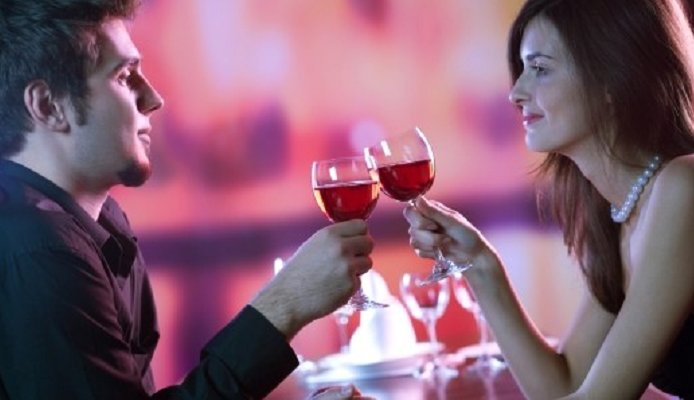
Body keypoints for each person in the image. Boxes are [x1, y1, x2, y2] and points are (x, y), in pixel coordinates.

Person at [0, 1, 374, 399]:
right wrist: (284, 305)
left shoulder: (99, 221)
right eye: (124, 77)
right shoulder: (39, 249)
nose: (153, 98)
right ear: (48, 106)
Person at [404, 0, 694, 398]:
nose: (516, 93)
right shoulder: (617, 215)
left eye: (540, 69)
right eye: (523, 69)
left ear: (613, 79)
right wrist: (479, 265)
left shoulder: (684, 185)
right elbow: (563, 386)